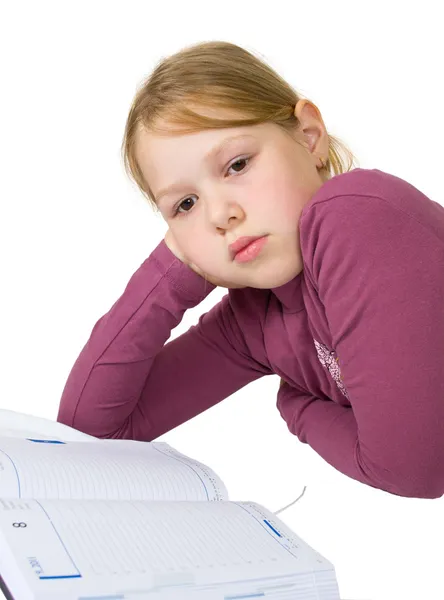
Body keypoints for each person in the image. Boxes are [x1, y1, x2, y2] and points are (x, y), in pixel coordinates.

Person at [57, 40, 444, 500]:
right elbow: (90, 437)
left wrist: (297, 407)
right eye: (185, 204)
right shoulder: (255, 324)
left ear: (308, 135)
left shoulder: (354, 215)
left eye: (237, 164)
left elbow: (412, 469)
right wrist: (174, 268)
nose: (220, 214)